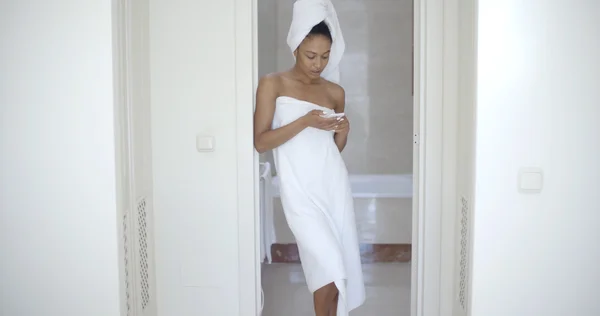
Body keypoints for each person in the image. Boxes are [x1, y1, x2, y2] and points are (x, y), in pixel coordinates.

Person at [253, 2, 365, 315]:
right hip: (299, 193)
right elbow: (261, 142)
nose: (318, 64)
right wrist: (305, 121)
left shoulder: (334, 92)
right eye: (310, 55)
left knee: (331, 272)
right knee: (328, 265)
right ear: (295, 47)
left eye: (325, 56)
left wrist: (343, 130)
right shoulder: (272, 84)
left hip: (332, 187)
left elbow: (332, 150)